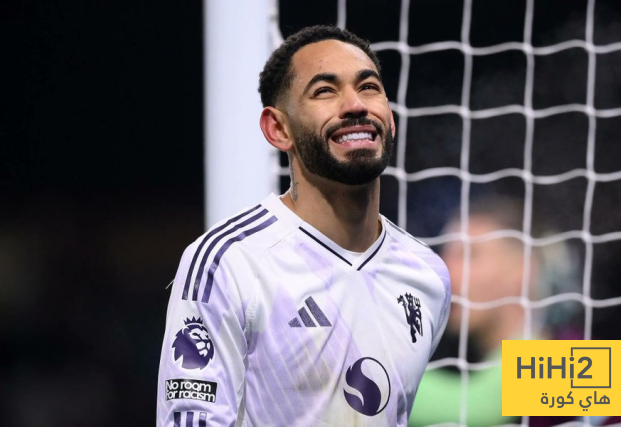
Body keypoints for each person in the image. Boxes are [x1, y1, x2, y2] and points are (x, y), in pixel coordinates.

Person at [157, 25, 451, 426]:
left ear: (391, 117)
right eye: (324, 91)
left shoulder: (427, 275)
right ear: (279, 129)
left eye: (368, 87)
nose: (355, 104)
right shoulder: (228, 263)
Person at [409, 196, 543, 426]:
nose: (446, 271)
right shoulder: (451, 358)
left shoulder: (578, 354)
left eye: (470, 255)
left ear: (523, 270)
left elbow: (483, 402)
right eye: (445, 255)